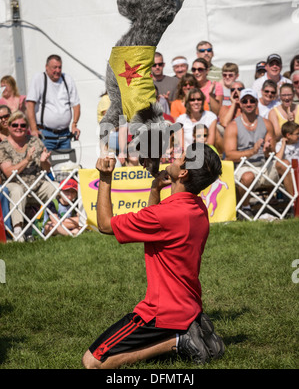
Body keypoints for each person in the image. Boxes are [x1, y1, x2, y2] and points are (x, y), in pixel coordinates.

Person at [82, 143, 224, 369]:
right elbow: (155, 226)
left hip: (161, 312)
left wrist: (105, 177)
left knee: (93, 362)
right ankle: (191, 328)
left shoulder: (167, 215)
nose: (175, 157)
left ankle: (178, 341)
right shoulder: (197, 207)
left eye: (181, 157)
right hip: (188, 305)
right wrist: (155, 189)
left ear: (184, 173)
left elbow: (105, 225)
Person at [224, 88, 289, 213]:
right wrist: (252, 151)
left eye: (252, 101)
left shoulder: (266, 123)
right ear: (240, 104)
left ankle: (296, 207)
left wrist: (268, 150)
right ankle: (245, 209)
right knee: (248, 177)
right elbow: (229, 155)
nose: (248, 104)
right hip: (243, 167)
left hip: (264, 166)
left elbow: (271, 154)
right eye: (245, 101)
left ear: (256, 103)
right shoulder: (233, 126)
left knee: (285, 164)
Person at [0, 111, 58, 241]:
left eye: (23, 125)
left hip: (37, 184)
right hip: (14, 184)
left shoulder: (35, 141)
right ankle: (18, 231)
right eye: (15, 125)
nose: (19, 128)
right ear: (8, 127)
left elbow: (46, 169)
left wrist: (44, 162)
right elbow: (8, 173)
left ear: (27, 127)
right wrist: (26, 160)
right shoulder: (3, 146)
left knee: (55, 187)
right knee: (17, 190)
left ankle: (58, 224)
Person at [26, 54, 81, 150]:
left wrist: (74, 124)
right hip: (45, 135)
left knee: (66, 164)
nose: (58, 70)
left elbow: (76, 104)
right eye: (54, 67)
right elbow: (30, 104)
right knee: (46, 163)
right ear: (46, 67)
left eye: (60, 67)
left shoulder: (67, 79)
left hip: (65, 135)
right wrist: (34, 129)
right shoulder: (40, 78)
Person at [275, 121, 299, 196]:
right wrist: (283, 145)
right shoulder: (279, 145)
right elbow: (277, 159)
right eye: (297, 134)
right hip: (289, 173)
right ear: (288, 135)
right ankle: (294, 200)